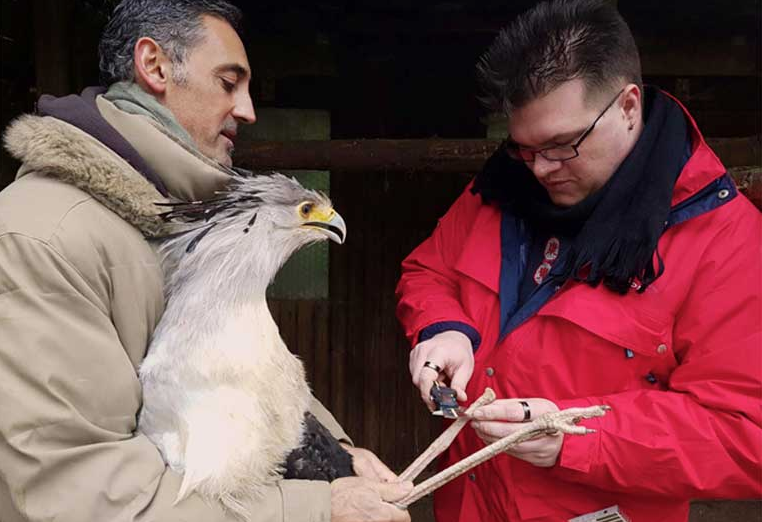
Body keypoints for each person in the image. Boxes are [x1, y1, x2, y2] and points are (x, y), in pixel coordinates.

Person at [0, 1, 411, 521]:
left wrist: (332, 458)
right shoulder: (40, 235)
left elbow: (247, 376)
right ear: (154, 66)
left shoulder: (184, 215)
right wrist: (314, 509)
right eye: (228, 82)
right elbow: (73, 489)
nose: (248, 110)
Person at [396, 1, 762, 521]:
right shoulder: (503, 185)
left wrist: (576, 435)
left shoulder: (727, 240)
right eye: (523, 147)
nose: (541, 169)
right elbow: (428, 271)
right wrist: (446, 330)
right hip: (470, 506)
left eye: (563, 145)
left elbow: (746, 433)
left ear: (628, 107)